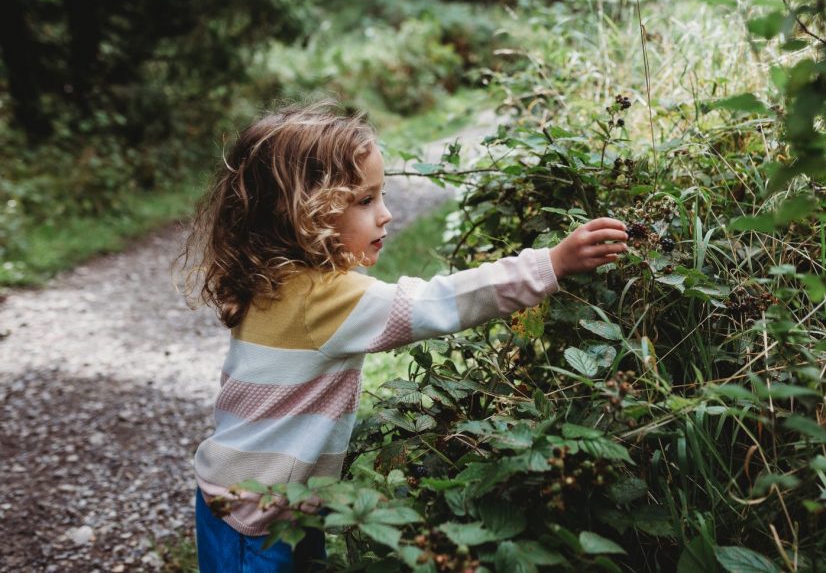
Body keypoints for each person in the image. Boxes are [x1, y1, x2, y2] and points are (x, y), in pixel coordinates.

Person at [183, 101, 628, 572]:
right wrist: (551, 264)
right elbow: (441, 303)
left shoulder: (271, 279)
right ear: (303, 213)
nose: (386, 215)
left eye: (381, 195)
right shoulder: (323, 299)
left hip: (264, 499)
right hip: (256, 515)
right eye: (364, 200)